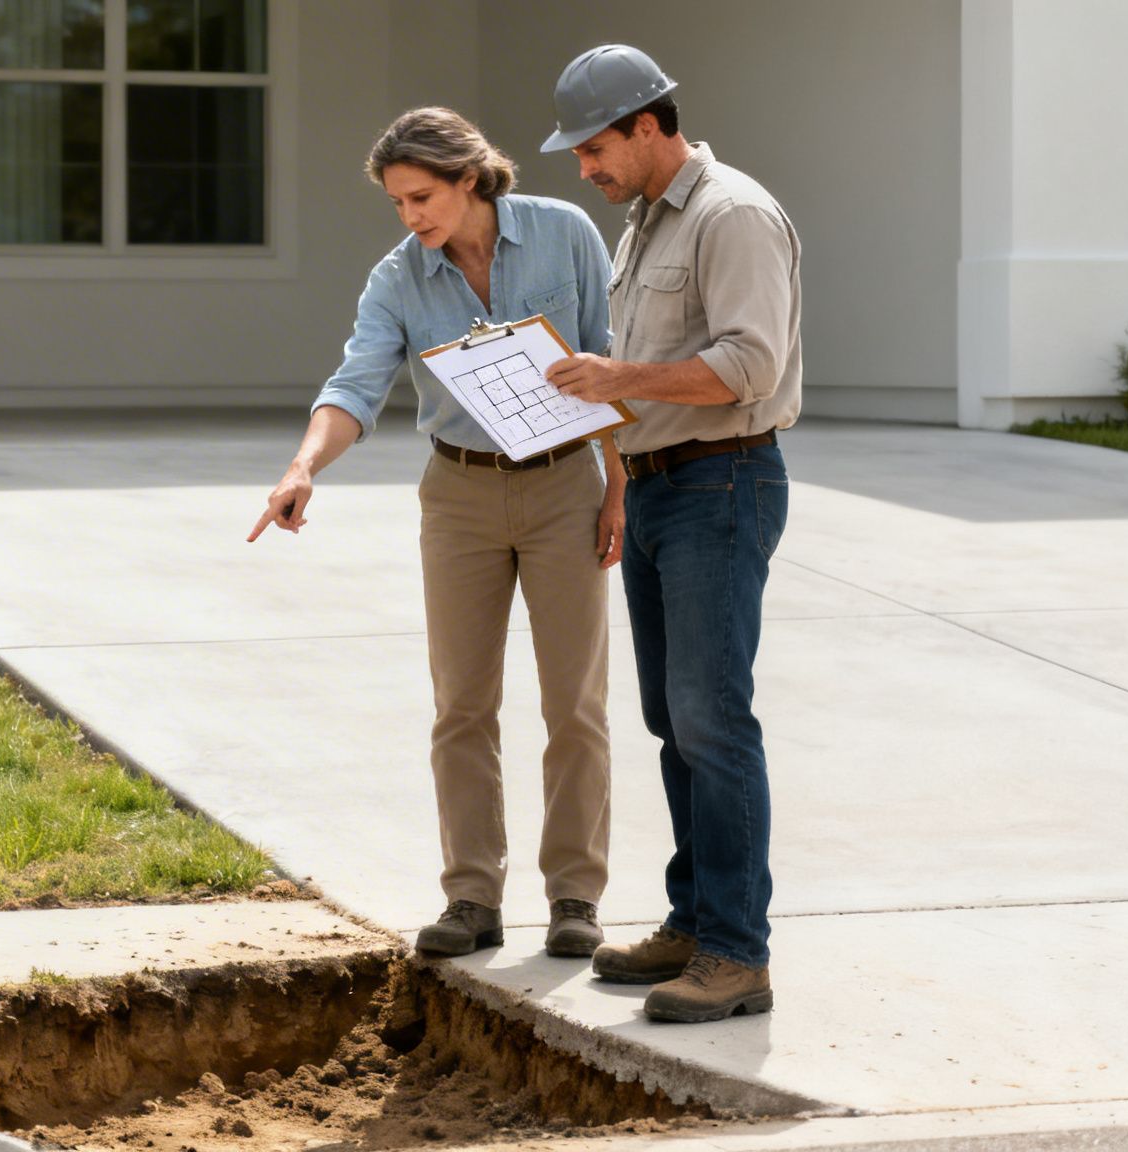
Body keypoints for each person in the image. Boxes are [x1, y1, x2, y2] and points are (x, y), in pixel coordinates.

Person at [248, 107, 625, 960]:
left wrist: (618, 491)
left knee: (576, 702)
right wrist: (304, 466)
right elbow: (357, 383)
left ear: (470, 178)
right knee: (462, 704)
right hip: (458, 494)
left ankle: (574, 895)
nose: (412, 217)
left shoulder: (566, 234)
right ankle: (471, 898)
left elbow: (611, 356)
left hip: (567, 483)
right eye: (397, 204)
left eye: (423, 196)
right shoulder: (398, 279)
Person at [539, 45, 802, 1023]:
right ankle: (695, 921)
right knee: (671, 721)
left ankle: (737, 954)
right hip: (654, 489)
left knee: (712, 720)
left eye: (593, 148)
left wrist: (618, 381)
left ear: (648, 125)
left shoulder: (730, 214)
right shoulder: (646, 224)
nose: (583, 168)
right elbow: (643, 368)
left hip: (719, 483)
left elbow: (746, 364)